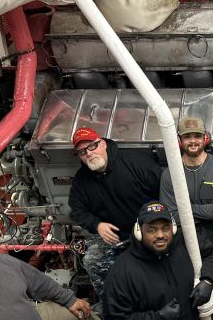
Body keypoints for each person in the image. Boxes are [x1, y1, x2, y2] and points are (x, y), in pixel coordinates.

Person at [68, 126, 162, 299]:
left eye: (92, 146)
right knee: (92, 260)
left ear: (102, 144)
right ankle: (112, 304)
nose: (88, 154)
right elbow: (77, 210)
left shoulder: (135, 163)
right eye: (82, 152)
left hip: (148, 230)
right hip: (114, 238)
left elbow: (164, 192)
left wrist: (153, 222)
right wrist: (97, 225)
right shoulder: (81, 180)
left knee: (156, 266)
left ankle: (155, 299)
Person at [160, 116, 213, 320]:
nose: (193, 141)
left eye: (197, 136)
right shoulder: (169, 174)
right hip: (181, 235)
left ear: (205, 138)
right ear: (179, 140)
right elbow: (170, 214)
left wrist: (185, 209)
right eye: (187, 136)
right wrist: (199, 212)